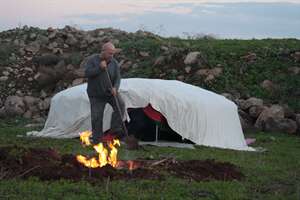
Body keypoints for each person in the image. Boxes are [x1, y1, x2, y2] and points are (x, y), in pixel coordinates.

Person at [85, 42, 125, 144]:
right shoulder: (92, 60)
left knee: (121, 104)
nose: (112, 56)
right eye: (110, 53)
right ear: (103, 52)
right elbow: (87, 73)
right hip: (96, 95)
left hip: (110, 93)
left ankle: (115, 129)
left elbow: (117, 78)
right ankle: (97, 140)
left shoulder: (114, 62)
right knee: (97, 117)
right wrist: (100, 68)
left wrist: (115, 88)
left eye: (113, 53)